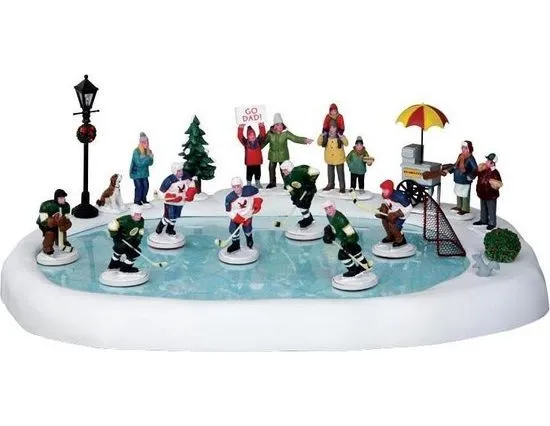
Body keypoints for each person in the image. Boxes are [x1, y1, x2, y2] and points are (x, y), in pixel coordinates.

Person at [262, 113, 313, 189]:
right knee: (271, 168)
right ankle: (272, 183)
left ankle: (287, 183)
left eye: (281, 124)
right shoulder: (270, 134)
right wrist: (256, 149)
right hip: (273, 155)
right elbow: (264, 142)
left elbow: (295, 138)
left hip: (283, 155)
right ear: (274, 126)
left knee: (284, 170)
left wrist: (304, 140)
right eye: (278, 124)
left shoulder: (285, 133)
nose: (280, 126)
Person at [322, 200, 372, 277]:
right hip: (344, 240)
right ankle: (364, 265)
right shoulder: (329, 216)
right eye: (326, 209)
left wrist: (348, 244)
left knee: (343, 255)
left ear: (334, 207)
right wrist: (330, 233)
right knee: (355, 252)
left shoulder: (341, 219)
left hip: (350, 240)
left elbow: (351, 234)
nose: (328, 210)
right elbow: (335, 228)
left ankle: (353, 270)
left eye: (330, 207)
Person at [155, 162, 197, 236]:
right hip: (170, 202)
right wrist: (168, 197)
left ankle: (169, 229)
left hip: (181, 201)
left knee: (175, 217)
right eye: (179, 171)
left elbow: (191, 184)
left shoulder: (186, 176)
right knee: (169, 216)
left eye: (181, 170)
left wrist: (191, 192)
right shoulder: (169, 180)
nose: (181, 172)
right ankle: (160, 227)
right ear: (174, 171)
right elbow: (162, 191)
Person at [224, 177, 264, 253]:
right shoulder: (229, 198)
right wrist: (236, 217)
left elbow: (257, 194)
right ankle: (235, 244)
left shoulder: (250, 190)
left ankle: (249, 240)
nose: (236, 189)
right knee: (233, 229)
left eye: (238, 186)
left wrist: (257, 202)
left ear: (241, 185)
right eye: (234, 187)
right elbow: (228, 211)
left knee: (247, 229)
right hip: (236, 217)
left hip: (247, 216)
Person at [280, 160, 320, 228]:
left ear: (289, 168)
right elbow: (290, 188)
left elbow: (316, 172)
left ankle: (308, 220)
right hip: (299, 192)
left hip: (308, 191)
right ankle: (308, 218)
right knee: (300, 204)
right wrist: (294, 197)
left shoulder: (300, 170)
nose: (283, 172)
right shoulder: (286, 178)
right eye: (282, 170)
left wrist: (310, 182)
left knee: (304, 205)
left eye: (284, 170)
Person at [107, 204, 145, 273]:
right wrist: (116, 236)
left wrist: (137, 240)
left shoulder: (141, 220)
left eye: (140, 214)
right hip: (121, 240)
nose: (139, 216)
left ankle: (113, 265)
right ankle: (125, 268)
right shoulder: (125, 220)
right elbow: (112, 225)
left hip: (130, 240)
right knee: (134, 253)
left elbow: (140, 231)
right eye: (137, 214)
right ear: (132, 214)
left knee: (119, 252)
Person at [36, 189, 73, 255]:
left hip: (58, 223)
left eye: (63, 197)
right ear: (56, 198)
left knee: (62, 231)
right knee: (50, 233)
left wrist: (66, 224)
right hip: (46, 224)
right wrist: (53, 221)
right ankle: (47, 247)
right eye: (60, 198)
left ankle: (62, 242)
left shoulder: (66, 206)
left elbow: (67, 218)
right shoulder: (47, 205)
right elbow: (43, 220)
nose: (63, 199)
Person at [376, 180, 412, 247]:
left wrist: (396, 214)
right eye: (383, 189)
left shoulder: (400, 196)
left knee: (393, 225)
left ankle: (400, 239)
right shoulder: (385, 195)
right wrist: (383, 209)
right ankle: (390, 236)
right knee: (384, 221)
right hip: (391, 212)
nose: (383, 191)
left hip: (401, 214)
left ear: (390, 189)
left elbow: (409, 208)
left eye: (385, 190)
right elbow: (387, 203)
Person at [447, 140, 477, 215]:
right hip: (458, 178)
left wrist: (471, 176)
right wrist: (448, 170)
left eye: (465, 148)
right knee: (458, 192)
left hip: (465, 179)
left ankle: (465, 208)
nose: (463, 149)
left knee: (464, 194)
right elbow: (455, 165)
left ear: (469, 149)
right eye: (462, 147)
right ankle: (459, 206)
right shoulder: (460, 156)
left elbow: (475, 169)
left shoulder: (470, 158)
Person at [473, 153, 502, 230]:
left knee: (491, 209)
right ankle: (483, 220)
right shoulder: (483, 170)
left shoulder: (495, 172)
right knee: (483, 208)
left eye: (488, 161)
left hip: (490, 195)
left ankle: (492, 223)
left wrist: (495, 184)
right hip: (482, 193)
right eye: (487, 160)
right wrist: (478, 169)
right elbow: (476, 173)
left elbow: (498, 183)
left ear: (492, 163)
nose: (486, 162)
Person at [317, 122, 348, 192]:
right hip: (329, 159)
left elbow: (346, 143)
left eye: (334, 127)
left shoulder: (339, 136)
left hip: (339, 159)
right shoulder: (326, 136)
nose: (332, 129)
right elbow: (319, 143)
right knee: (330, 173)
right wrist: (321, 135)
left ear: (337, 128)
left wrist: (342, 137)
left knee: (340, 174)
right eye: (330, 127)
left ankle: (342, 187)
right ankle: (330, 184)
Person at [237, 122, 266, 188]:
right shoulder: (245, 143)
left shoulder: (258, 141)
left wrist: (261, 126)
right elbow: (240, 136)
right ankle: (249, 183)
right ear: (248, 136)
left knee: (258, 173)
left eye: (253, 135)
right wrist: (241, 127)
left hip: (257, 162)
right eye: (250, 135)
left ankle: (257, 182)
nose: (252, 136)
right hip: (249, 163)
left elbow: (262, 135)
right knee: (249, 174)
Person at [129, 131, 154, 205]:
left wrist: (150, 158)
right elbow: (139, 163)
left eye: (147, 142)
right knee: (139, 187)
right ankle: (137, 201)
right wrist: (148, 157)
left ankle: (143, 199)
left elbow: (150, 163)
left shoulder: (148, 151)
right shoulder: (136, 151)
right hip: (136, 173)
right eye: (144, 142)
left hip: (144, 173)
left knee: (146, 186)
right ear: (141, 143)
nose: (146, 144)